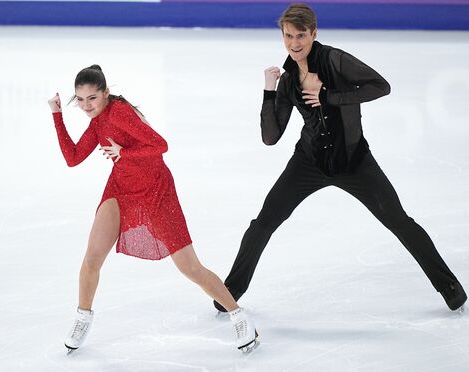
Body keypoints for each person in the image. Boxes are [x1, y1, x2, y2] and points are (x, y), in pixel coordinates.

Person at [213, 3, 466, 314]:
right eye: (289, 36)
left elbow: (380, 86)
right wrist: (268, 91)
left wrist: (329, 96)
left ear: (313, 33)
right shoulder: (289, 77)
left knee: (399, 221)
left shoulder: (335, 59)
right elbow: (270, 136)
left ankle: (449, 286)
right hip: (308, 162)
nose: (295, 43)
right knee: (263, 223)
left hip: (353, 162)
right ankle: (231, 290)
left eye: (301, 36)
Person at [47, 65, 258, 354]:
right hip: (120, 189)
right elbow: (72, 158)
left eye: (92, 98)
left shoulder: (119, 111)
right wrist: (57, 115)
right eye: (80, 100)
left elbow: (160, 144)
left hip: (156, 191)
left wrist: (124, 152)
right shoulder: (97, 122)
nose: (86, 106)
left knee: (189, 267)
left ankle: (238, 315)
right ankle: (83, 316)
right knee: (92, 257)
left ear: (106, 93)